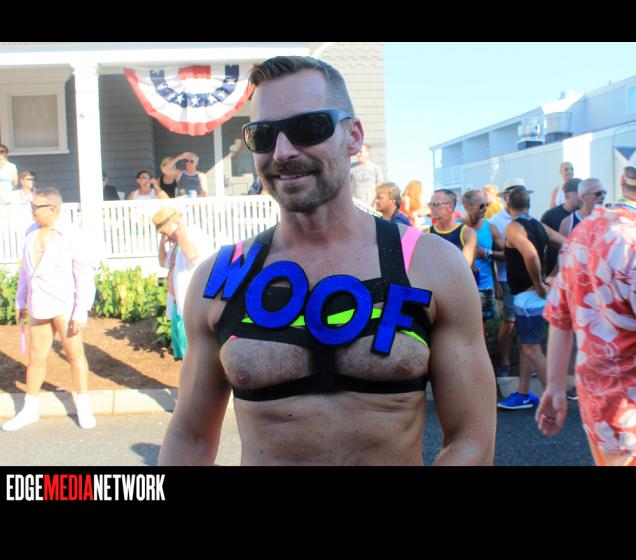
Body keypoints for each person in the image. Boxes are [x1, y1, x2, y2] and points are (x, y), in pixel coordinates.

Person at [159, 55, 496, 466]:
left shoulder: (433, 266)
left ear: (353, 136)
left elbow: (471, 439)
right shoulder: (219, 279)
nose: (282, 152)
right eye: (262, 135)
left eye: (308, 128)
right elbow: (191, 438)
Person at [537, 167, 636, 466]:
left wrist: (555, 385)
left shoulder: (583, 233)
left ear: (622, 181)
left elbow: (560, 316)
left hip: (598, 407)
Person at [3, 187, 97, 431]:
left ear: (53, 209)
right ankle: (29, 409)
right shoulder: (30, 232)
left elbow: (84, 275)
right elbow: (25, 270)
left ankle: (83, 406)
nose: (32, 211)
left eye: (36, 207)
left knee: (74, 354)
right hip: (37, 302)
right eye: (31, 206)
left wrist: (81, 310)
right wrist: (20, 300)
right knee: (36, 356)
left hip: (64, 304)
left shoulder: (71, 234)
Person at [497, 184, 566, 410]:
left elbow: (531, 255)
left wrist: (539, 283)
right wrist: (552, 276)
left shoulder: (513, 228)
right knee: (527, 345)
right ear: (529, 204)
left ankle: (553, 401)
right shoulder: (539, 225)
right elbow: (569, 246)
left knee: (532, 350)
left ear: (507, 205)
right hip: (532, 296)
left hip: (529, 297)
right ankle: (523, 393)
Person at [154, 206, 209, 360]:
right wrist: (162, 242)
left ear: (175, 223)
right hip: (178, 305)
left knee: (194, 355)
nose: (165, 235)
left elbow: (193, 256)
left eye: (165, 231)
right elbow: (163, 262)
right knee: (183, 355)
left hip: (191, 304)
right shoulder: (176, 244)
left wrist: (180, 232)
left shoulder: (193, 234)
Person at [461, 189, 504, 324]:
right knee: (462, 324)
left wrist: (486, 253)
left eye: (487, 205)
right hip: (460, 285)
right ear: (467, 207)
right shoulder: (456, 226)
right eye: (481, 206)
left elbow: (507, 254)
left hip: (484, 286)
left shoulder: (490, 227)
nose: (485, 209)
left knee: (483, 326)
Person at [490, 181, 518, 377]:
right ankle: (505, 362)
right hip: (506, 277)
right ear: (506, 197)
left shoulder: (527, 217)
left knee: (524, 321)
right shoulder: (495, 221)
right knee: (508, 322)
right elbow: (494, 254)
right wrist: (496, 282)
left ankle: (527, 361)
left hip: (527, 279)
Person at [541, 178, 581, 276]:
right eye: (580, 194)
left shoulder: (587, 217)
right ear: (567, 196)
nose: (583, 197)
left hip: (577, 273)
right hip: (553, 273)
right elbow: (539, 246)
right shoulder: (549, 216)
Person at [428, 189, 477, 267]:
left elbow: (464, 267)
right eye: (430, 204)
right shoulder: (426, 234)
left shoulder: (467, 233)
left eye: (435, 204)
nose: (431, 208)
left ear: (450, 207)